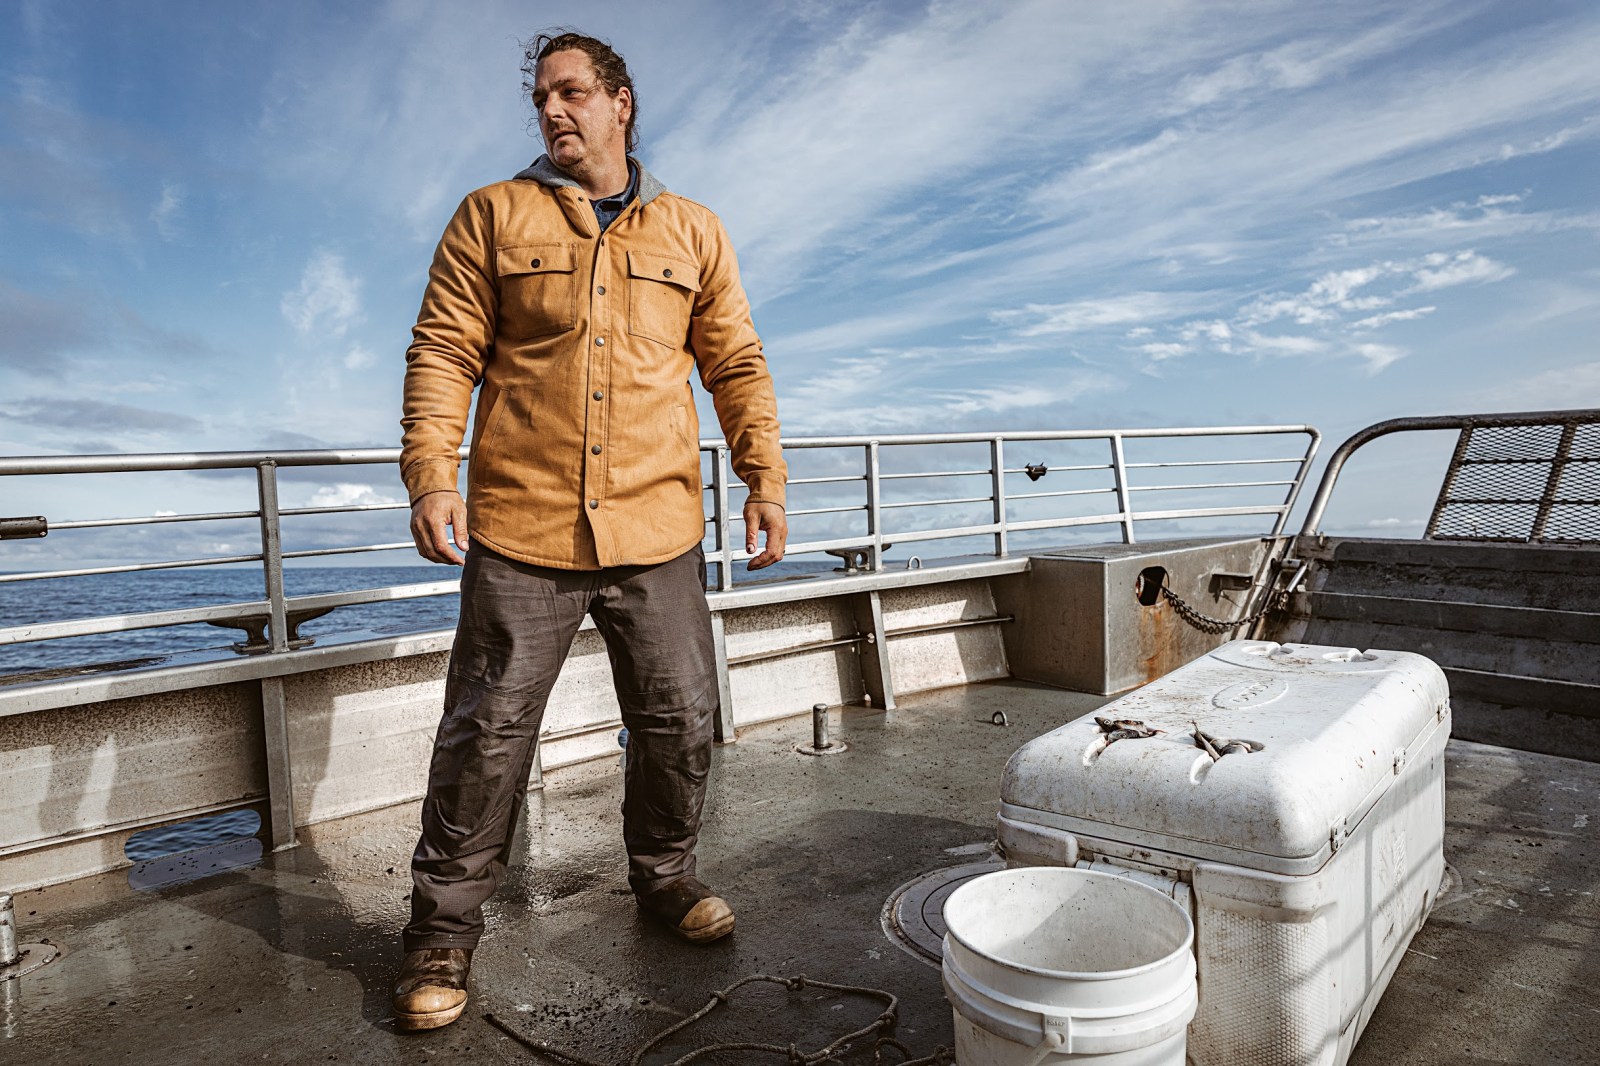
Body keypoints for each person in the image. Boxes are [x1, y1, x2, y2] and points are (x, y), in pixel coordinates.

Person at [391, 30, 787, 1031]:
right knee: (484, 736)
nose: (551, 111)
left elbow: (734, 362)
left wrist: (763, 477)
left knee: (680, 718)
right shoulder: (491, 214)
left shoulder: (692, 229)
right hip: (521, 525)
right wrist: (431, 473)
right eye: (539, 99)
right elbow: (443, 351)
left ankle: (664, 877)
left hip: (656, 526)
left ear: (621, 102)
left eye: (570, 93)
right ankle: (440, 931)